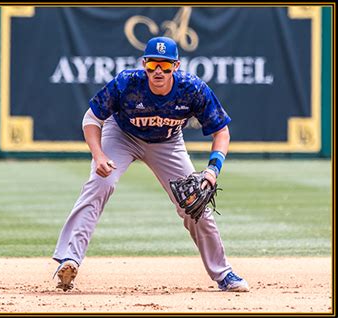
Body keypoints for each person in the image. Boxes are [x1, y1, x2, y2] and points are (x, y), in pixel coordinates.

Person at [52, 36, 249, 293]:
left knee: (193, 202)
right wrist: (98, 154)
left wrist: (213, 170)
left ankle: (223, 274)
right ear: (144, 63)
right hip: (122, 135)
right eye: (153, 64)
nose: (158, 70)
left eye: (165, 65)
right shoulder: (127, 83)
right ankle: (69, 259)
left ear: (176, 66)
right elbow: (91, 118)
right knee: (100, 184)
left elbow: (221, 132)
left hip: (167, 142)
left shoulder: (192, 89)